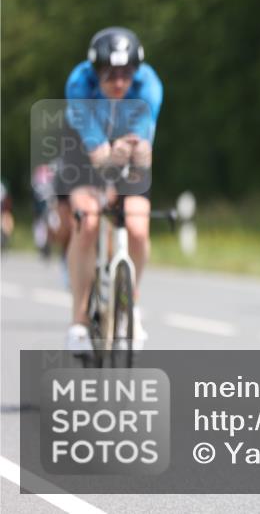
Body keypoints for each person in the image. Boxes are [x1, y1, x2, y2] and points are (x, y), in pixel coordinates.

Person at [59, 27, 163, 353]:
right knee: (87, 222)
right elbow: (94, 149)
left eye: (125, 75)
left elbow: (141, 141)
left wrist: (132, 155)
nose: (119, 83)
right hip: (84, 151)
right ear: (95, 71)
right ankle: (78, 319)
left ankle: (130, 301)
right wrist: (106, 165)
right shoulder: (79, 83)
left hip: (128, 150)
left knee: (137, 227)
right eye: (110, 76)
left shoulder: (149, 85)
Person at [0, 179, 13, 251]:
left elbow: (5, 200)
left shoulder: (2, 186)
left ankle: (4, 243)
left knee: (6, 227)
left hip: (3, 210)